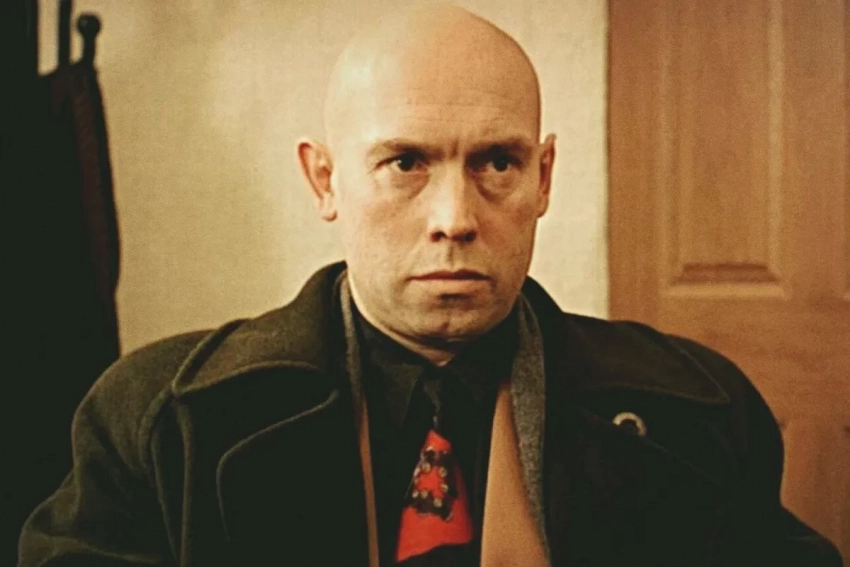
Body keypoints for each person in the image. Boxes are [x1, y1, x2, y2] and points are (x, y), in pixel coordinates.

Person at [17, 4, 843, 567]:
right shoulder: (159, 427)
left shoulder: (699, 419)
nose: (455, 217)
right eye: (406, 162)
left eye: (497, 162)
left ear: (544, 177)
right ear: (325, 180)